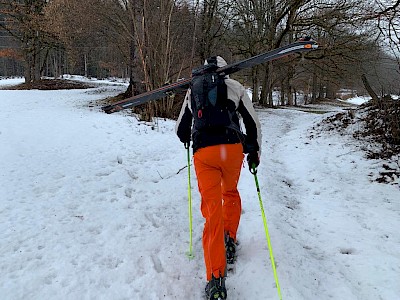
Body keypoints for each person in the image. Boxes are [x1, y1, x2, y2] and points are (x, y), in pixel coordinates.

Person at [175, 55, 262, 300]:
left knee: (212, 212)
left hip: (205, 152)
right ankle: (230, 239)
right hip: (231, 149)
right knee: (230, 192)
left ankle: (215, 278)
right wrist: (254, 151)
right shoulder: (235, 87)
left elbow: (181, 130)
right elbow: (252, 123)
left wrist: (190, 137)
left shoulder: (195, 90)